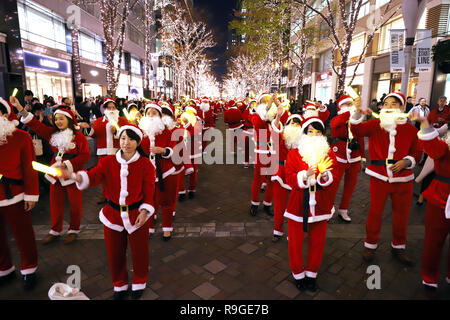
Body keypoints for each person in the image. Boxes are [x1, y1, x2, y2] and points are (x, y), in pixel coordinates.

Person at [61, 124, 155, 300]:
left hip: (137, 216)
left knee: (140, 252)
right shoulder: (108, 162)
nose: (126, 143)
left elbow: (149, 192)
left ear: (138, 142)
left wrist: (145, 211)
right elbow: (93, 176)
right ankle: (119, 284)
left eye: (131, 139)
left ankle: (139, 281)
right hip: (112, 216)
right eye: (123, 138)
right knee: (115, 254)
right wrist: (74, 176)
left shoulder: (146, 164)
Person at [351, 92, 422, 265]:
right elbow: (356, 130)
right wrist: (357, 112)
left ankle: (399, 247)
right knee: (375, 213)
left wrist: (407, 161)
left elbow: (416, 154)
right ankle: (370, 244)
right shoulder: (376, 125)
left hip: (403, 179)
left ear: (401, 107)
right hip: (379, 177)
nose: (389, 107)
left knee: (401, 215)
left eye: (394, 104)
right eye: (386, 103)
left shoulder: (411, 129)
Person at [13, 97, 91, 244]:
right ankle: (55, 230)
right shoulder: (51, 133)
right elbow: (35, 125)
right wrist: (20, 108)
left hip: (72, 175)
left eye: (61, 119)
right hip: (54, 175)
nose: (58, 122)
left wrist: (67, 164)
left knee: (75, 204)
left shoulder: (78, 136)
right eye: (56, 119)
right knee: (55, 204)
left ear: (69, 119)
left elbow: (85, 155)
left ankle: (73, 230)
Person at [284, 114, 337, 292]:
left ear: (323, 135)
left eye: (318, 132)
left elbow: (334, 177)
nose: (314, 135)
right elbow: (289, 178)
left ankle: (312, 274)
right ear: (304, 133)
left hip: (321, 204)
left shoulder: (328, 155)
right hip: (298, 203)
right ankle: (298, 273)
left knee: (318, 242)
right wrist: (304, 175)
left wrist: (325, 176)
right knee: (295, 243)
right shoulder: (293, 154)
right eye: (310, 131)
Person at [0, 97, 39, 290]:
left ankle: (29, 269)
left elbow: (29, 168)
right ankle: (4, 269)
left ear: (5, 114)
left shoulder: (21, 137)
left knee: (23, 235)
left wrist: (31, 195)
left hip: (15, 194)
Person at [409, 113, 449, 296]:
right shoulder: (445, 147)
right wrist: (424, 122)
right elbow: (432, 146)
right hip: (441, 197)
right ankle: (430, 278)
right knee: (434, 241)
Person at [139, 103, 177, 240]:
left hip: (165, 171)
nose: (151, 115)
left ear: (160, 116)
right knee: (148, 200)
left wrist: (163, 150)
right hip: (147, 173)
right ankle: (149, 226)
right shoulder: (140, 133)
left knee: (166, 201)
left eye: (154, 113)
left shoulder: (167, 132)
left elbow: (173, 149)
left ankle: (167, 227)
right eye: (148, 113)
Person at [83, 97, 129, 204]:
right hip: (103, 153)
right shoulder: (99, 121)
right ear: (104, 109)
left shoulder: (122, 121)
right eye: (109, 107)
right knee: (103, 175)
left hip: (118, 153)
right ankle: (105, 195)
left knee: (117, 175)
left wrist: (117, 131)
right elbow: (94, 135)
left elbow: (127, 136)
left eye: (113, 107)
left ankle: (117, 195)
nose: (112, 109)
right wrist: (88, 128)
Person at [329, 95, 366, 222]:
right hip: (339, 156)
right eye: (347, 104)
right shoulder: (337, 118)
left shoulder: (356, 121)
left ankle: (343, 210)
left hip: (354, 157)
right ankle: (328, 209)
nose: (349, 106)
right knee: (333, 185)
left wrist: (362, 158)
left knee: (350, 187)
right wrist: (352, 112)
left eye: (351, 104)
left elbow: (360, 137)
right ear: (340, 106)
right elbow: (336, 124)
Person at [270, 107, 302, 242]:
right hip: (281, 174)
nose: (294, 126)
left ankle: (293, 232)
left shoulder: (304, 143)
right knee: (279, 205)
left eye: (297, 123)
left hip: (297, 175)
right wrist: (277, 118)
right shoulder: (281, 139)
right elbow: (275, 133)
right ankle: (278, 230)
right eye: (291, 123)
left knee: (296, 206)